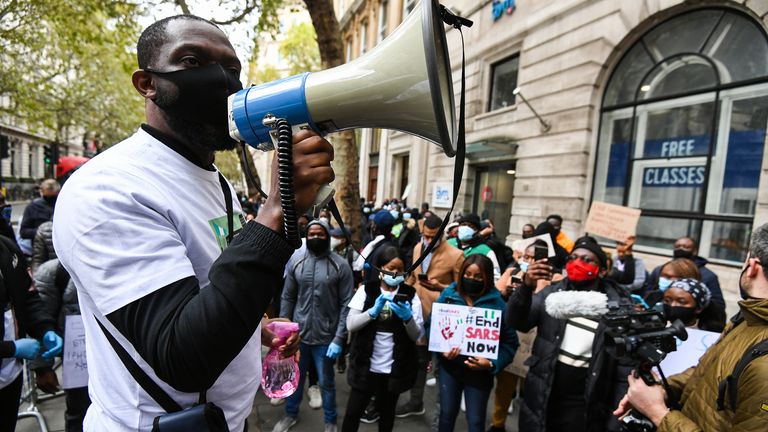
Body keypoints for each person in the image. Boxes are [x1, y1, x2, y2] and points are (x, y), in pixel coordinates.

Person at [51, 15, 332, 431]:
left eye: (232, 69)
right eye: (191, 60)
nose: (220, 79)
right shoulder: (106, 189)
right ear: (147, 83)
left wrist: (255, 328)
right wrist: (276, 210)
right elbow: (180, 355)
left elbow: (213, 285)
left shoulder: (217, 182)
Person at [614, 223, 768, 431]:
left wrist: (658, 413)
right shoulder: (747, 317)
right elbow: (708, 373)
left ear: (753, 267)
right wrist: (661, 391)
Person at [507, 237, 633, 432]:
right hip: (544, 395)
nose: (577, 262)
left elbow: (623, 372)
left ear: (602, 269)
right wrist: (526, 287)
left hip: (586, 404)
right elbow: (517, 322)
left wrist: (615, 421)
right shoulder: (552, 294)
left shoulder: (617, 308)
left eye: (586, 259)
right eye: (573, 257)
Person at [275, 220, 354, 432]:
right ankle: (290, 414)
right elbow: (288, 297)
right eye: (312, 234)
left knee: (327, 383)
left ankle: (330, 421)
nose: (316, 238)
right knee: (294, 380)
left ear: (327, 236)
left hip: (325, 338)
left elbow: (347, 304)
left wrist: (339, 338)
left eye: (320, 234)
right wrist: (285, 329)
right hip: (298, 336)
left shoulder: (340, 265)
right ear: (306, 236)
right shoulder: (297, 263)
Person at [342, 246, 423, 432]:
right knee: (353, 413)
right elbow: (351, 325)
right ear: (380, 269)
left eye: (400, 269)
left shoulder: (410, 295)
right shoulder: (366, 290)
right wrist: (371, 313)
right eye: (390, 267)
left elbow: (416, 335)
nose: (395, 273)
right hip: (365, 366)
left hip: (393, 370)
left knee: (387, 415)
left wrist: (408, 319)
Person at [435, 255, 518, 432]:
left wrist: (491, 363)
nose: (471, 279)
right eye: (468, 274)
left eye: (478, 276)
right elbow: (431, 327)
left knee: (475, 420)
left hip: (480, 374)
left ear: (487, 278)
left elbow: (510, 343)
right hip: (450, 367)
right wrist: (441, 349)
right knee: (447, 414)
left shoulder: (498, 305)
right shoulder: (448, 296)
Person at [395, 214, 464, 418]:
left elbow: (463, 289)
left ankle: (444, 410)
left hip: (443, 317)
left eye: (433, 237)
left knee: (442, 366)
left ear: (441, 235)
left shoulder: (456, 255)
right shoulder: (418, 248)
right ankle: (416, 402)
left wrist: (440, 286)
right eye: (425, 236)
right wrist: (401, 295)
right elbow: (412, 276)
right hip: (417, 311)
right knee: (419, 360)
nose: (428, 240)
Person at [0, 235, 63, 432]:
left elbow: (28, 296)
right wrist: (10, 348)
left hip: (10, 376)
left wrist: (45, 328)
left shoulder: (6, 246)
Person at [31, 258, 91, 432]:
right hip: (78, 359)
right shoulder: (52, 272)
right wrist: (42, 368)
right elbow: (39, 319)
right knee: (79, 411)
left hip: (117, 357)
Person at [645, 236, 724, 310]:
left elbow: (718, 305)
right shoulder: (660, 269)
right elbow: (648, 291)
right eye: (678, 246)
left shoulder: (708, 275)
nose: (681, 249)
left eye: (686, 247)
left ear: (694, 251)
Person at [661, 278, 725, 333]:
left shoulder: (710, 335)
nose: (672, 305)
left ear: (698, 308)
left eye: (681, 302)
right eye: (667, 300)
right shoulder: (657, 327)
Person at [447, 214, 501, 279]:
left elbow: (495, 276)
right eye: (463, 224)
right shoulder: (448, 243)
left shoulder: (485, 251)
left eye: (470, 226)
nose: (466, 228)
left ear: (476, 231)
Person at [355, 210, 398, 285]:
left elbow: (374, 275)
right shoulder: (388, 244)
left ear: (375, 227)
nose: (372, 226)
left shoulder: (381, 248)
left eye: (373, 224)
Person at [19, 179, 59, 245]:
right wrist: (43, 232)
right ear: (42, 192)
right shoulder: (33, 207)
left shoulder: (62, 205)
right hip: (40, 249)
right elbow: (23, 232)